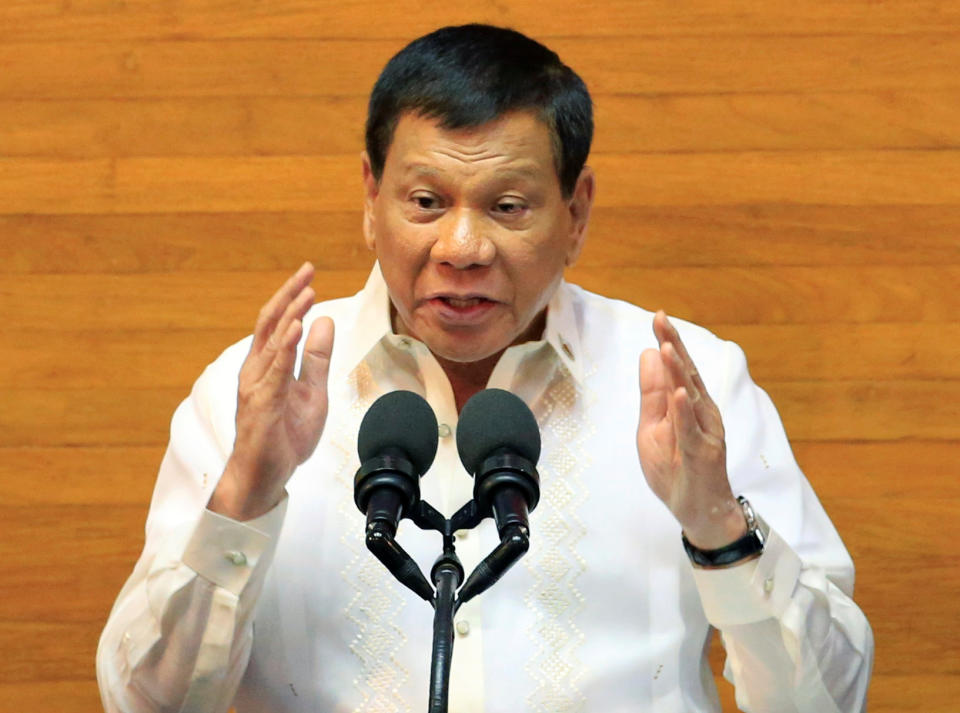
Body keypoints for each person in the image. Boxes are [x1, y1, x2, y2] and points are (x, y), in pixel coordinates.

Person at [97, 24, 873, 713]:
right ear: (372, 198)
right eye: (427, 201)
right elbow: (143, 702)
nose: (462, 248)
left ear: (577, 213)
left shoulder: (686, 382)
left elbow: (827, 703)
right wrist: (245, 495)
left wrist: (719, 528)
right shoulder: (255, 390)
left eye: (508, 206)